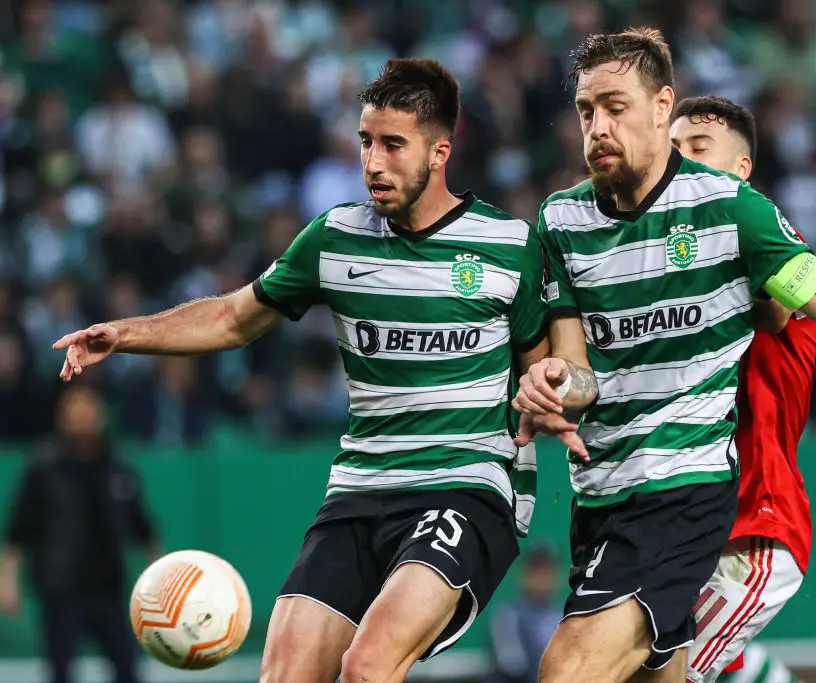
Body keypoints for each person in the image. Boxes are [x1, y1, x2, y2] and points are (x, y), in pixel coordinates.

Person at [52, 58, 551, 683]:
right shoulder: (336, 237)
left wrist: (553, 391)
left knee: (368, 666)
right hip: (361, 489)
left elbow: (546, 369)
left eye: (393, 144)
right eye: (366, 141)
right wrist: (124, 334)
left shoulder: (509, 244)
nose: (373, 161)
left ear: (439, 150)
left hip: (467, 486)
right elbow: (235, 319)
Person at [511, 28, 816, 683]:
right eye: (587, 110)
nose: (599, 126)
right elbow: (581, 367)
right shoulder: (570, 224)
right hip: (612, 502)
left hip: (738, 512)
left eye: (695, 148)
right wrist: (555, 382)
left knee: (576, 666)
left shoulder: (742, 225)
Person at [667, 95, 813, 683]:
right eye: (672, 149)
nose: (682, 161)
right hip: (687, 523)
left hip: (756, 525)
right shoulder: (663, 255)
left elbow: (774, 312)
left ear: (742, 168)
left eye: (699, 149)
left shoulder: (771, 239)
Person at [0, 385, 158, 683]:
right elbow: (18, 530)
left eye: (90, 408)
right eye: (75, 408)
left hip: (110, 587)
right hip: (61, 588)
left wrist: (159, 578)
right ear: (62, 416)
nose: (83, 416)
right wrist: (8, 580)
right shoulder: (42, 467)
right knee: (62, 671)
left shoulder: (118, 466)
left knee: (128, 668)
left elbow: (142, 528)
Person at [487, 545, 562, 683]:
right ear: (524, 575)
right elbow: (511, 667)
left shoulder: (565, 616)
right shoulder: (509, 617)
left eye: (547, 571)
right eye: (537, 571)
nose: (542, 578)